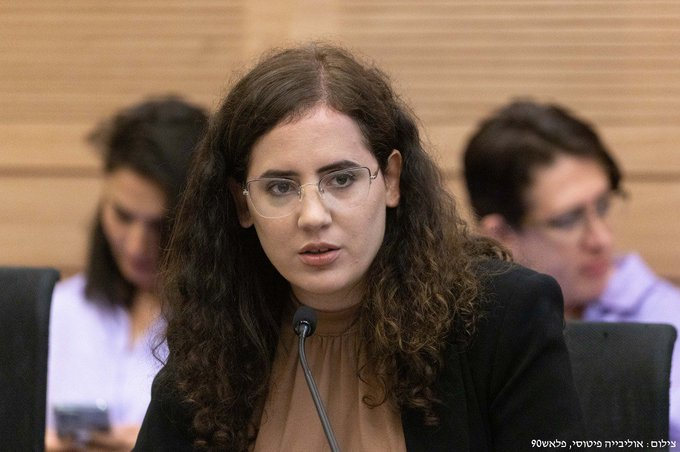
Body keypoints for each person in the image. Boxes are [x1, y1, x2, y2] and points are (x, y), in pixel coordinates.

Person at [133, 43, 585, 451]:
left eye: (341, 179)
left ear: (390, 180)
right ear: (243, 203)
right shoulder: (215, 338)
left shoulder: (499, 319)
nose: (313, 216)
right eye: (280, 187)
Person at [462, 99, 680, 443]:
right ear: (501, 235)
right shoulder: (470, 340)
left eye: (603, 206)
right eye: (567, 220)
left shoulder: (667, 320)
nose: (601, 239)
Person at [46, 96, 208, 450]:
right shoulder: (60, 309)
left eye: (161, 226)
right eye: (122, 216)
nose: (136, 246)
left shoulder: (221, 330)